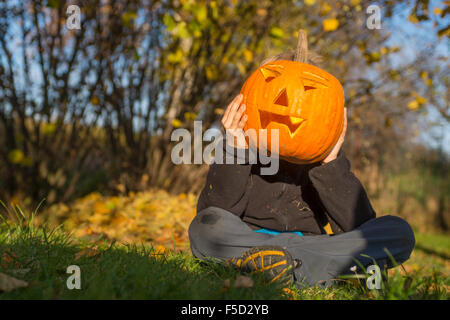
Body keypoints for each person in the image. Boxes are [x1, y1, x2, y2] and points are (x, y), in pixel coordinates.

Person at [188, 91, 415, 288]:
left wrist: (330, 162)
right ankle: (322, 269)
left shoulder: (324, 158)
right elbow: (215, 212)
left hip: (310, 242)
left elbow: (359, 225)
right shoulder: (244, 147)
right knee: (203, 227)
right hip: (251, 240)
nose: (286, 103)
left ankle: (273, 265)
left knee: (398, 231)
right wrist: (236, 149)